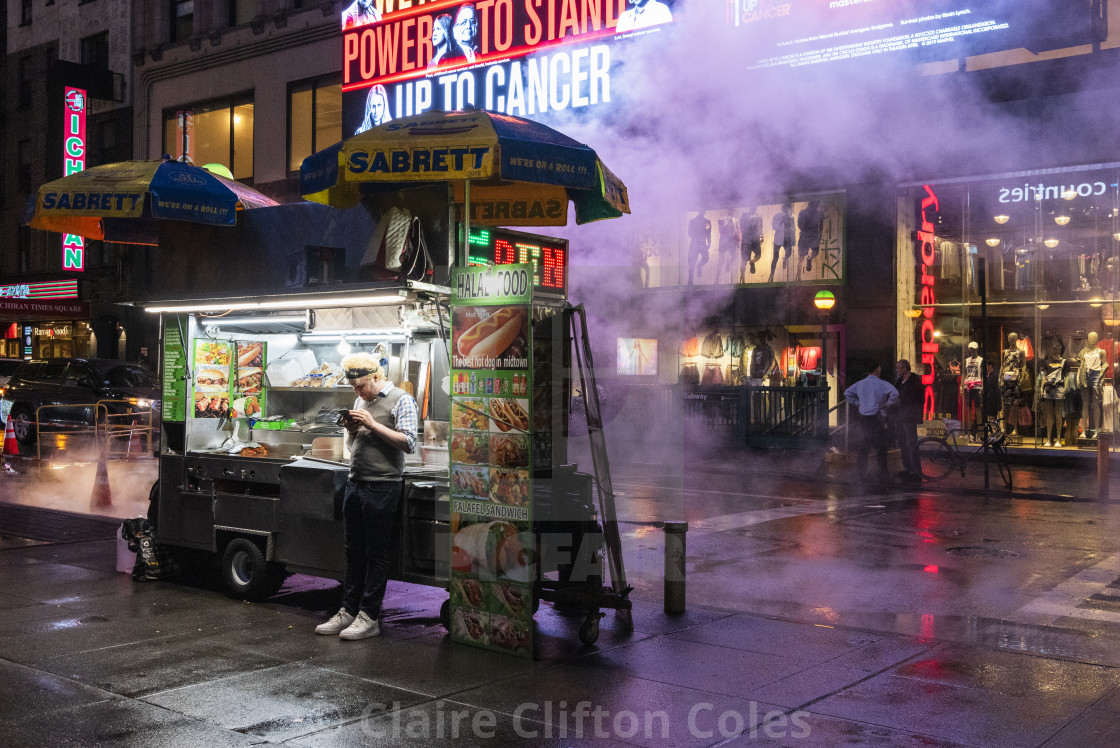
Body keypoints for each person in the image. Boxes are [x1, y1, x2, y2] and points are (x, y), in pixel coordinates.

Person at [315, 352, 418, 641]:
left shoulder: (401, 399)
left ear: (375, 377)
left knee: (376, 553)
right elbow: (355, 443)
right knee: (353, 551)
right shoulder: (361, 401)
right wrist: (351, 430)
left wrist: (373, 425)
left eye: (360, 386)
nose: (356, 392)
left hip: (383, 486)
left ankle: (369, 616)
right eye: (353, 387)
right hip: (355, 483)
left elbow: (409, 442)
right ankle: (348, 610)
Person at [844, 362, 898, 482]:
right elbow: (895, 393)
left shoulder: (860, 384)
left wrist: (858, 404)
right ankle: (883, 473)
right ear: (877, 371)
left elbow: (847, 393)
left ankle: (861, 473)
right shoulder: (882, 384)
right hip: (877, 416)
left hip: (864, 417)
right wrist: (887, 405)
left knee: (864, 446)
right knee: (881, 446)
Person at [894, 359, 923, 481]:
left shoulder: (915, 381)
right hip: (901, 416)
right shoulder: (900, 381)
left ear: (905, 368)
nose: (897, 370)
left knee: (912, 443)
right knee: (903, 443)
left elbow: (918, 398)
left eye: (898, 368)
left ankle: (916, 471)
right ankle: (907, 467)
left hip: (910, 416)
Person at [686, 210, 711, 286]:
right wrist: (708, 242)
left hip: (699, 243)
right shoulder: (694, 221)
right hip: (697, 243)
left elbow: (708, 233)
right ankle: (690, 280)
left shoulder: (705, 222)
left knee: (704, 258)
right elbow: (689, 233)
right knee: (692, 263)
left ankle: (699, 266)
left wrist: (709, 242)